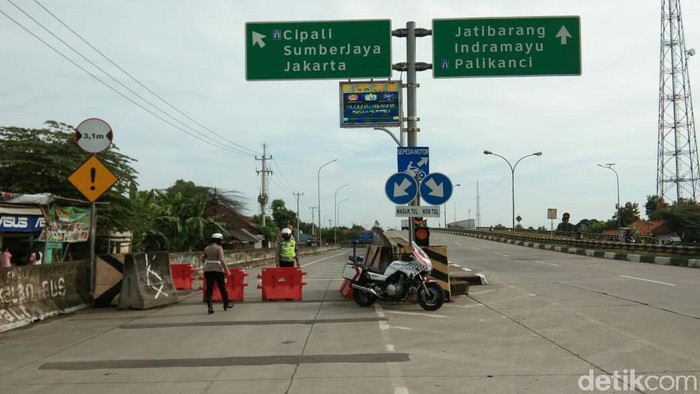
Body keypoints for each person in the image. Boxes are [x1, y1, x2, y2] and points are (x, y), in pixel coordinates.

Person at [202, 233, 232, 314]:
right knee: (222, 288)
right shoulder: (219, 248)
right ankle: (226, 303)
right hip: (218, 270)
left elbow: (203, 258)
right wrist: (227, 270)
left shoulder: (207, 248)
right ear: (219, 240)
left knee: (209, 289)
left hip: (208, 270)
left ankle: (210, 307)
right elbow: (222, 260)